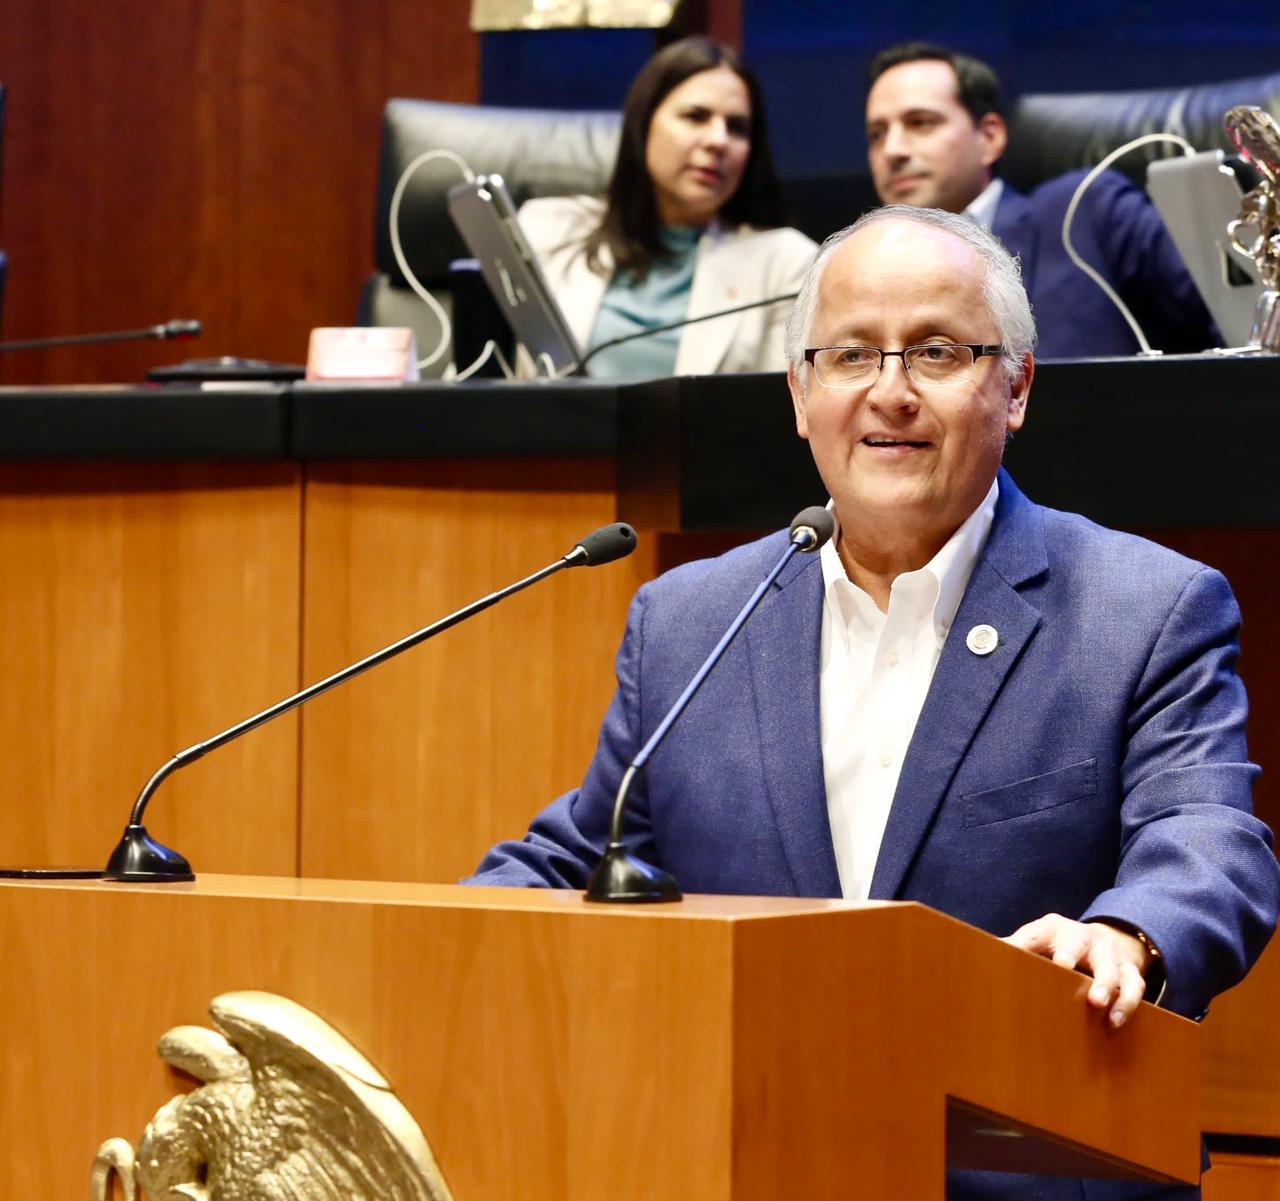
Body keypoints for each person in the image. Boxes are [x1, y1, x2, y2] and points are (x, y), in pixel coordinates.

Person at [468, 205, 1279, 1199]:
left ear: (1014, 386)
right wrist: (430, 946)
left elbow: (1207, 838)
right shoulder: (687, 618)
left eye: (935, 352)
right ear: (799, 394)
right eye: (849, 356)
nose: (887, 394)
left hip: (1029, 1167)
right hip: (741, 1160)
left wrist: (1129, 933)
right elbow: (580, 857)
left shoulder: (1143, 608)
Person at [864, 41, 1218, 359]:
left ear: (989, 137)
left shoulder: (1085, 210)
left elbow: (1237, 321)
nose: (892, 150)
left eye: (921, 123)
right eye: (877, 134)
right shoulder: (864, 268)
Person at [518, 37, 817, 377]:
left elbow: (775, 411)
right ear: (643, 125)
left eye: (737, 127)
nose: (718, 140)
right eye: (695, 116)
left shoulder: (785, 262)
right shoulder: (546, 228)